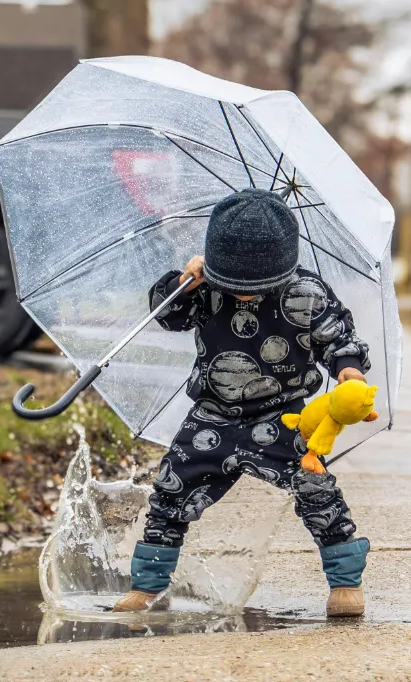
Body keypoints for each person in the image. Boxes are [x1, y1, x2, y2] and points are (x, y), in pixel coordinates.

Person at [113, 189, 371, 618]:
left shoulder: (307, 292)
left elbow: (338, 337)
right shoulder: (203, 287)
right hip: (212, 415)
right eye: (234, 286)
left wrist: (348, 371)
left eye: (258, 289)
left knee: (317, 490)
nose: (245, 296)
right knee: (170, 492)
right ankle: (147, 585)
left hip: (283, 414)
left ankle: (345, 582)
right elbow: (167, 315)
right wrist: (183, 283)